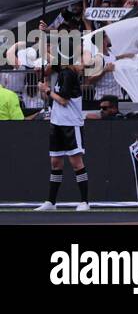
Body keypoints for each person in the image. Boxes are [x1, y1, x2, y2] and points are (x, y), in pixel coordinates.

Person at [35, 46, 89, 212]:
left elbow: (63, 101)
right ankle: (51, 202)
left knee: (76, 162)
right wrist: (43, 36)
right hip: (57, 123)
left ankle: (84, 202)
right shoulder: (63, 71)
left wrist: (47, 90)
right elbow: (49, 59)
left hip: (70, 123)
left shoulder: (68, 74)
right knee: (56, 162)